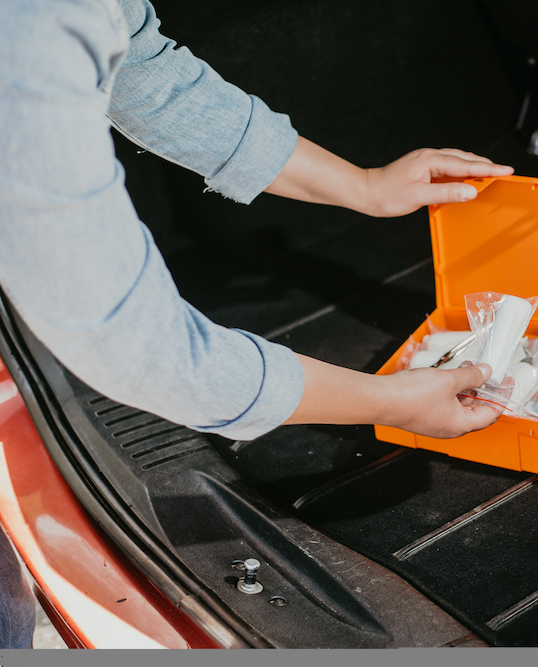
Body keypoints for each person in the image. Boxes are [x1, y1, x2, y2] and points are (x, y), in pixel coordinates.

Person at [0, 0, 509, 648]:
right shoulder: (26, 38)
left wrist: (366, 186)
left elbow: (146, 74)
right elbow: (148, 352)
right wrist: (389, 400)